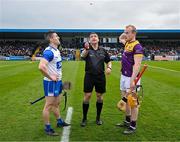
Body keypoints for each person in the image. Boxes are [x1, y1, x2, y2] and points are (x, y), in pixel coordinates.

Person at [39, 31, 70, 136]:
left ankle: (59, 121)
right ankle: (47, 128)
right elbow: (41, 66)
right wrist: (50, 76)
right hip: (50, 83)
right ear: (51, 39)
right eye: (56, 36)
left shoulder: (56, 50)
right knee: (48, 105)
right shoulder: (49, 52)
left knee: (56, 103)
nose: (58, 38)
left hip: (58, 81)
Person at [80, 32, 112, 127]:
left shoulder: (103, 50)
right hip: (89, 76)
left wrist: (109, 67)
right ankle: (84, 118)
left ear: (98, 39)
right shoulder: (87, 50)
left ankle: (98, 117)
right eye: (91, 37)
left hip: (100, 76)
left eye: (95, 36)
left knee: (99, 96)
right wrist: (86, 49)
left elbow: (109, 61)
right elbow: (82, 56)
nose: (93, 38)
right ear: (89, 40)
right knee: (87, 96)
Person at [116, 25, 144, 134]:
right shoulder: (127, 43)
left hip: (131, 78)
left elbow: (137, 65)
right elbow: (120, 38)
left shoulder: (137, 47)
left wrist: (133, 81)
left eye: (127, 32)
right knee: (125, 100)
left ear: (134, 33)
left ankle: (133, 126)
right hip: (123, 75)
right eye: (125, 32)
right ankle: (127, 121)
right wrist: (124, 33)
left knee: (133, 103)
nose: (125, 34)